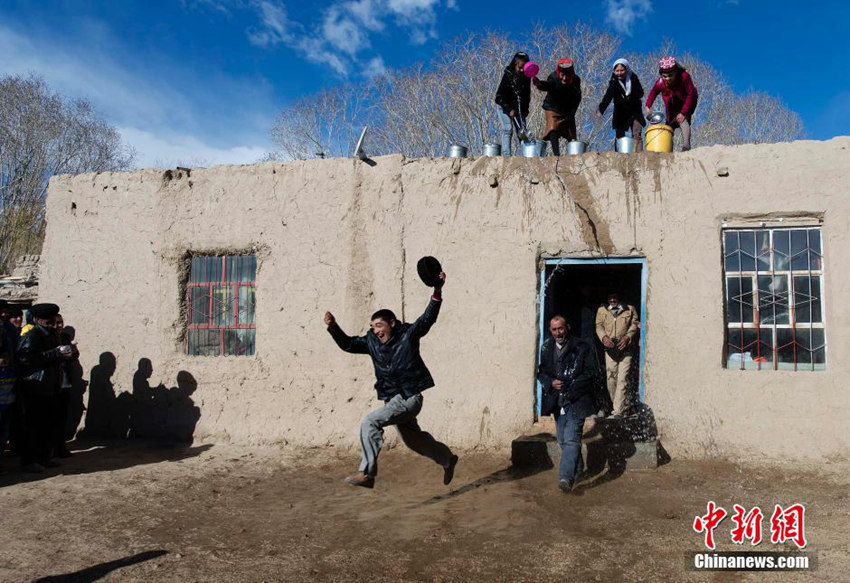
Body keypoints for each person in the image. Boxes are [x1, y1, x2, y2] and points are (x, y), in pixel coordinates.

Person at [324, 272, 458, 489]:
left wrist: (438, 290)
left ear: (392, 323)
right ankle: (447, 459)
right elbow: (348, 344)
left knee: (370, 421)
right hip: (392, 400)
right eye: (373, 326)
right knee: (413, 440)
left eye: (379, 325)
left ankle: (367, 474)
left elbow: (427, 319)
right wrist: (333, 327)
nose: (375, 330)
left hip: (409, 397)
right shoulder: (371, 342)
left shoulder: (408, 335)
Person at [537, 315, 596, 492]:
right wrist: (550, 382)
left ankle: (565, 478)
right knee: (562, 440)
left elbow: (591, 372)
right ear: (550, 331)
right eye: (554, 330)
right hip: (557, 401)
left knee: (571, 439)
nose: (558, 333)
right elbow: (541, 372)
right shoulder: (547, 347)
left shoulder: (582, 347)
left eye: (561, 329)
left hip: (577, 400)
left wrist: (572, 386)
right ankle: (577, 470)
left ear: (567, 327)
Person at [16, 303, 76, 472]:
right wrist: (55, 353)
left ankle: (44, 457)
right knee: (33, 425)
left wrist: (69, 353)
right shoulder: (33, 335)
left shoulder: (51, 335)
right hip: (35, 386)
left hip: (50, 385)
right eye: (47, 320)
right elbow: (25, 359)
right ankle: (29, 461)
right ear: (37, 320)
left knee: (48, 424)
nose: (51, 323)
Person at [595, 293, 639, 418]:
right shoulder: (602, 310)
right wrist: (603, 337)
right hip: (610, 349)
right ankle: (620, 405)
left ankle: (618, 411)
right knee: (611, 378)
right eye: (610, 298)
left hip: (625, 348)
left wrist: (627, 337)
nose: (612, 300)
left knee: (623, 378)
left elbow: (634, 324)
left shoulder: (629, 308)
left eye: (615, 298)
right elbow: (598, 326)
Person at [644, 56, 698, 151]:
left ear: (676, 72)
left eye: (670, 75)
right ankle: (667, 148)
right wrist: (648, 106)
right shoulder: (660, 82)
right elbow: (653, 93)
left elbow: (691, 95)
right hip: (671, 103)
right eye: (664, 76)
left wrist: (683, 112)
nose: (667, 78)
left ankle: (686, 146)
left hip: (686, 100)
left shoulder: (684, 77)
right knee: (669, 124)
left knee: (682, 120)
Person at [532, 58, 582, 155]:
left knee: (571, 134)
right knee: (552, 128)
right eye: (562, 75)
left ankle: (574, 155)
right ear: (559, 73)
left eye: (567, 76)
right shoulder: (553, 77)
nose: (564, 78)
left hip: (567, 109)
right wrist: (539, 84)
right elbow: (547, 85)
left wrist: (571, 112)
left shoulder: (576, 80)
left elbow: (577, 97)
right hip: (552, 107)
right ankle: (556, 155)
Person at [597, 58, 646, 151]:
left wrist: (631, 96)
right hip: (620, 111)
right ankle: (619, 155)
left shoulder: (633, 77)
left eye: (622, 70)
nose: (619, 73)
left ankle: (638, 154)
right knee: (619, 134)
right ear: (614, 71)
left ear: (626, 69)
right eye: (617, 71)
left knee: (637, 133)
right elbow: (608, 96)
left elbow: (641, 92)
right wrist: (601, 109)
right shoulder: (614, 82)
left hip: (635, 110)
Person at [494, 51, 532, 156]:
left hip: (518, 108)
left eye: (523, 68)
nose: (521, 70)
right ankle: (507, 155)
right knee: (508, 128)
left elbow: (527, 97)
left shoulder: (527, 78)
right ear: (515, 64)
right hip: (504, 106)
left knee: (522, 131)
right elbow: (498, 97)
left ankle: (526, 155)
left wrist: (525, 111)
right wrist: (508, 108)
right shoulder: (508, 75)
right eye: (519, 67)